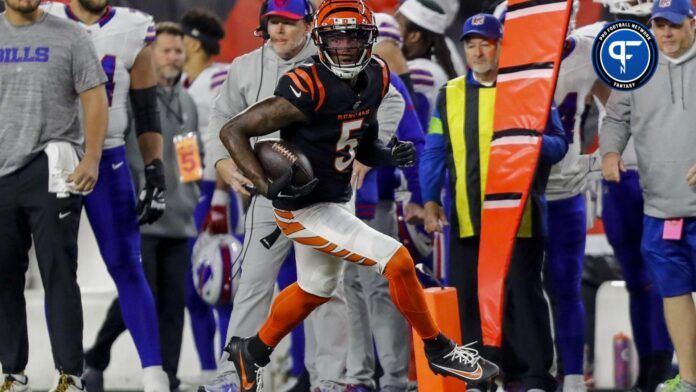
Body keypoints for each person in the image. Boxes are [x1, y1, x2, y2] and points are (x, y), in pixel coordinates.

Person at [218, 2, 500, 392]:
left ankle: (251, 352)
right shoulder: (307, 83)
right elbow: (233, 130)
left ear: (369, 39)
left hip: (337, 196)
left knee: (316, 288)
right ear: (321, 40)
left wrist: (387, 154)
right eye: (337, 37)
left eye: (354, 36)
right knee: (396, 259)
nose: (347, 46)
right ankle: (440, 349)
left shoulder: (376, 75)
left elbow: (360, 147)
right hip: (304, 206)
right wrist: (266, 188)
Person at [198, 0, 354, 390]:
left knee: (325, 289)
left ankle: (330, 380)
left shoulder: (336, 58)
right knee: (251, 283)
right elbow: (220, 118)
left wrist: (366, 151)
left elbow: (390, 100)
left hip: (324, 195)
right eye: (273, 22)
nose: (280, 30)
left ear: (307, 24)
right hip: (268, 193)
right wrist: (221, 162)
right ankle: (233, 378)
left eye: (288, 22)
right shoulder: (245, 66)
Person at [421, 14, 568, 392]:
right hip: (468, 216)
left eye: (485, 42)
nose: (477, 51)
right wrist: (430, 199)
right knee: (468, 298)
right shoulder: (450, 93)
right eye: (471, 44)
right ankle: (480, 377)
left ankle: (534, 376)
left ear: (502, 46)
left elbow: (558, 144)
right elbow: (435, 150)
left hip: (520, 216)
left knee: (522, 294)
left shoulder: (529, 88)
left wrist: (531, 143)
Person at [42, 0, 171, 389]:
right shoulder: (42, 16)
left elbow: (146, 109)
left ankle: (153, 374)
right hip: (53, 154)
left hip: (111, 155)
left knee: (126, 264)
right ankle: (68, 372)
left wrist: (154, 167)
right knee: (58, 271)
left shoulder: (133, 27)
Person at [81, 22, 201, 392]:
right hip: (141, 214)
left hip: (179, 219)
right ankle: (96, 357)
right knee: (138, 295)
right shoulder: (132, 98)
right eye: (165, 50)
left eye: (178, 50)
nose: (173, 57)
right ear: (151, 54)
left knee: (173, 303)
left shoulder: (186, 102)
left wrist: (193, 198)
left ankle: (170, 376)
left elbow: (189, 157)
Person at [0, 0, 107, 390]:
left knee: (59, 272)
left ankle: (69, 374)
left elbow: (95, 97)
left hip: (51, 165)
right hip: (1, 172)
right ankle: (12, 372)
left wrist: (92, 157)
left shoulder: (71, 36)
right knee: (4, 275)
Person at [600, 0, 696, 391]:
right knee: (672, 293)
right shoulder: (636, 67)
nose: (666, 34)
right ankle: (689, 379)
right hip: (659, 207)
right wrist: (610, 151)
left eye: (673, 25)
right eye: (659, 26)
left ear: (693, 23)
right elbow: (615, 117)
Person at [343, 13, 425, 392]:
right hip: (334, 202)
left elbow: (414, 141)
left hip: (375, 203)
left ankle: (392, 378)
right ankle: (357, 377)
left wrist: (420, 196)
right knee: (344, 290)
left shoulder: (390, 84)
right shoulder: (326, 76)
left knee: (377, 289)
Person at [178, 7, 237, 382]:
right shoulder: (184, 85)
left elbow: (228, 138)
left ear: (195, 42)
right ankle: (205, 369)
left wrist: (216, 196)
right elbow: (186, 144)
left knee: (223, 283)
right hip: (191, 189)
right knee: (194, 285)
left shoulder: (218, 78)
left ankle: (228, 369)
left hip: (217, 190)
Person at [395, 0, 457, 130]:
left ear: (414, 36)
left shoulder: (420, 73)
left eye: (397, 24)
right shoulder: (432, 65)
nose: (391, 30)